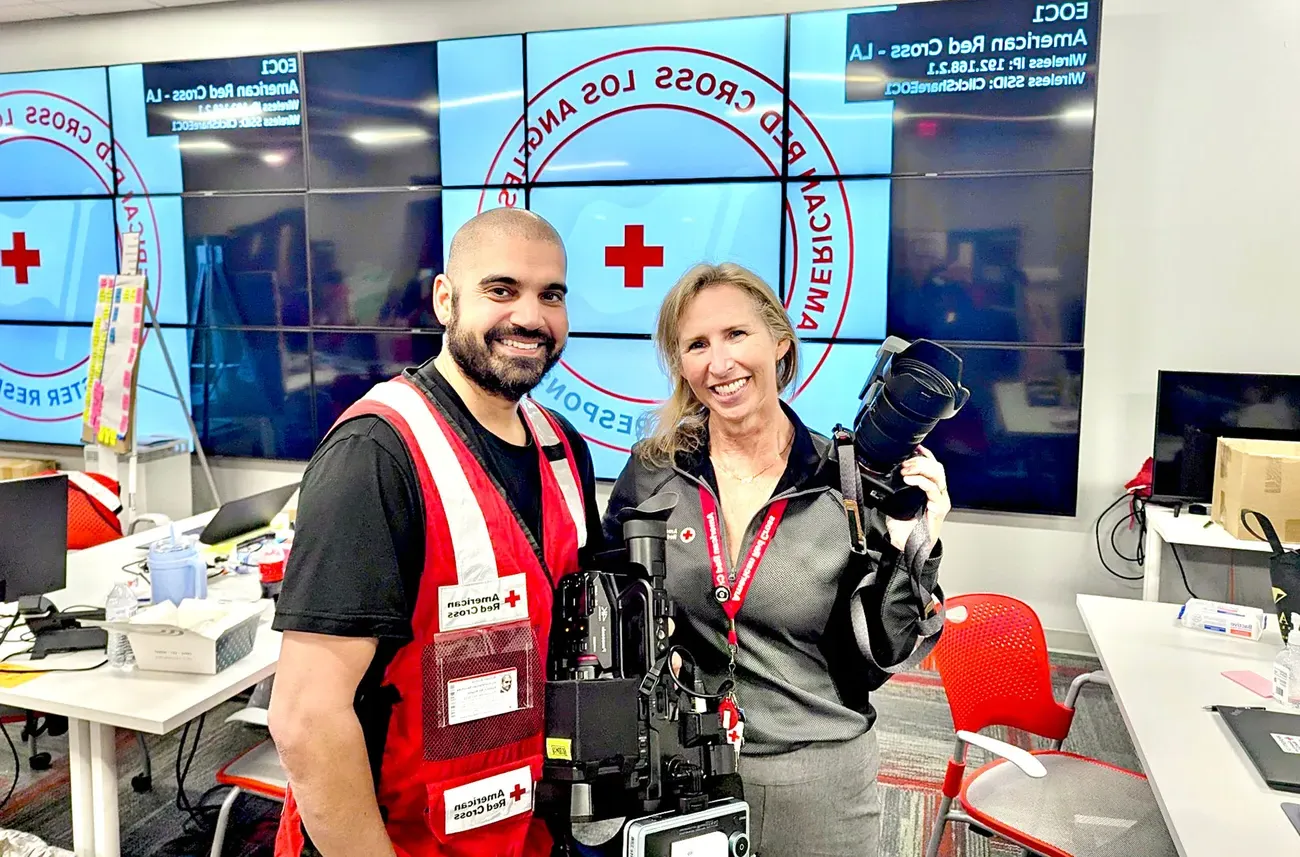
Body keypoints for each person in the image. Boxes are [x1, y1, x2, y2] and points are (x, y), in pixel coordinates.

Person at [268, 208, 603, 857]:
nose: (530, 317)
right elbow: (305, 717)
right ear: (446, 300)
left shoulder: (562, 448)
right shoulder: (377, 454)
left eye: (551, 295)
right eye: (501, 290)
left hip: (519, 833)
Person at [603, 263, 948, 857]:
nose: (719, 363)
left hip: (818, 780)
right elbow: (613, 616)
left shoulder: (843, 479)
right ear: (681, 364)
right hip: (684, 777)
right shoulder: (654, 471)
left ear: (779, 341)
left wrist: (911, 547)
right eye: (697, 344)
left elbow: (885, 655)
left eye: (737, 334)